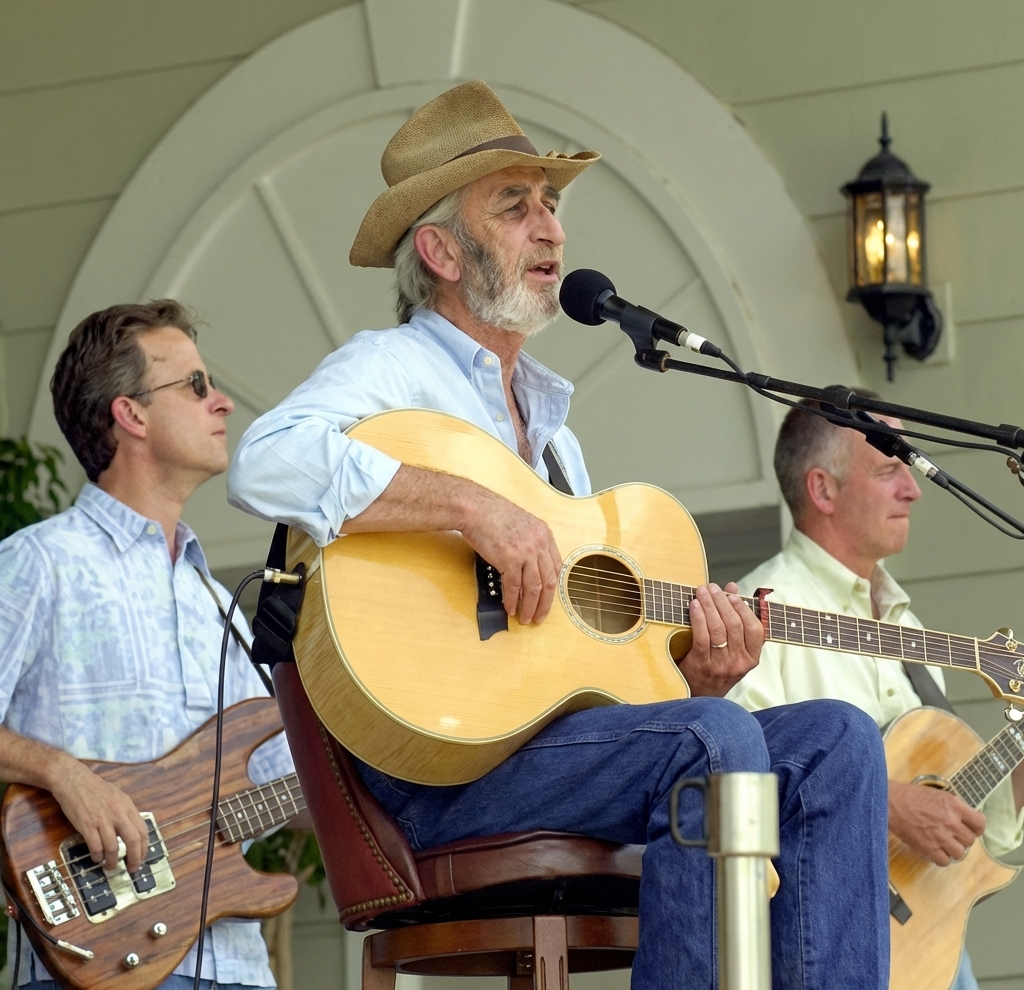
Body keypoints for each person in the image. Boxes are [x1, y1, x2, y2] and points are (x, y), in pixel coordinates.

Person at [227, 80, 891, 988]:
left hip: (552, 751)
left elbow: (571, 668)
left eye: (551, 204)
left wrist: (693, 677)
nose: (552, 231)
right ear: (440, 251)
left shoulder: (553, 436)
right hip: (437, 768)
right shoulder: (390, 368)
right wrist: (470, 507)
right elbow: (262, 462)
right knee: (709, 742)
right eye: (515, 208)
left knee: (837, 742)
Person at [0, 301, 294, 990]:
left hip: (238, 969)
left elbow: (289, 786)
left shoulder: (219, 603)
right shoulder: (39, 563)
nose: (222, 401)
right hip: (87, 966)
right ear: (130, 414)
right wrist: (63, 773)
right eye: (195, 384)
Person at [727, 398, 1024, 990]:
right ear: (823, 489)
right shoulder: (762, 613)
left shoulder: (906, 625)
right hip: (822, 941)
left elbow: (980, 830)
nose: (913, 490)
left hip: (934, 944)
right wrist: (885, 803)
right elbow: (736, 785)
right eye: (891, 469)